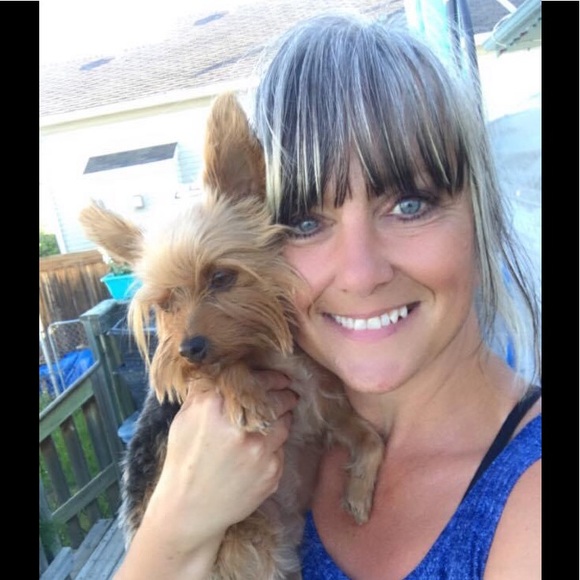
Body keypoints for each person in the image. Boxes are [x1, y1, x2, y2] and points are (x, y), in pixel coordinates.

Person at [115, 11, 541, 580]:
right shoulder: (224, 450)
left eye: (410, 204)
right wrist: (175, 523)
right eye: (304, 223)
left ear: (484, 218)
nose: (361, 274)